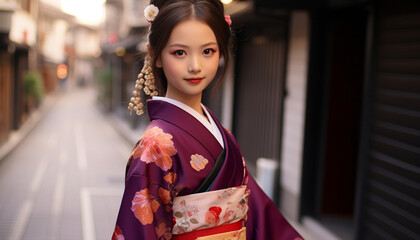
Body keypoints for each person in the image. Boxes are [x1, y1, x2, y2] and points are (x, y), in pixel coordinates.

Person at [112, 0, 303, 239]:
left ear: (221, 52)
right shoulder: (155, 146)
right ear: (156, 56)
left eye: (207, 51)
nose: (195, 66)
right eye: (179, 52)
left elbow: (259, 214)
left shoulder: (224, 136)